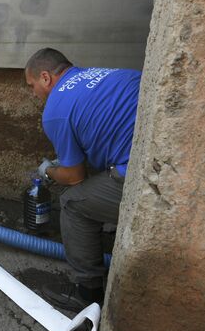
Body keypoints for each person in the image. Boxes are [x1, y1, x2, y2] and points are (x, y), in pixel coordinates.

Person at [24, 48, 141, 312]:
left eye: (32, 86)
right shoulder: (106, 75)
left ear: (46, 77)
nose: (34, 94)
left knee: (72, 203)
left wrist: (48, 171)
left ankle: (87, 294)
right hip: (162, 158)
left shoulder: (55, 111)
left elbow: (74, 177)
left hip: (144, 178)